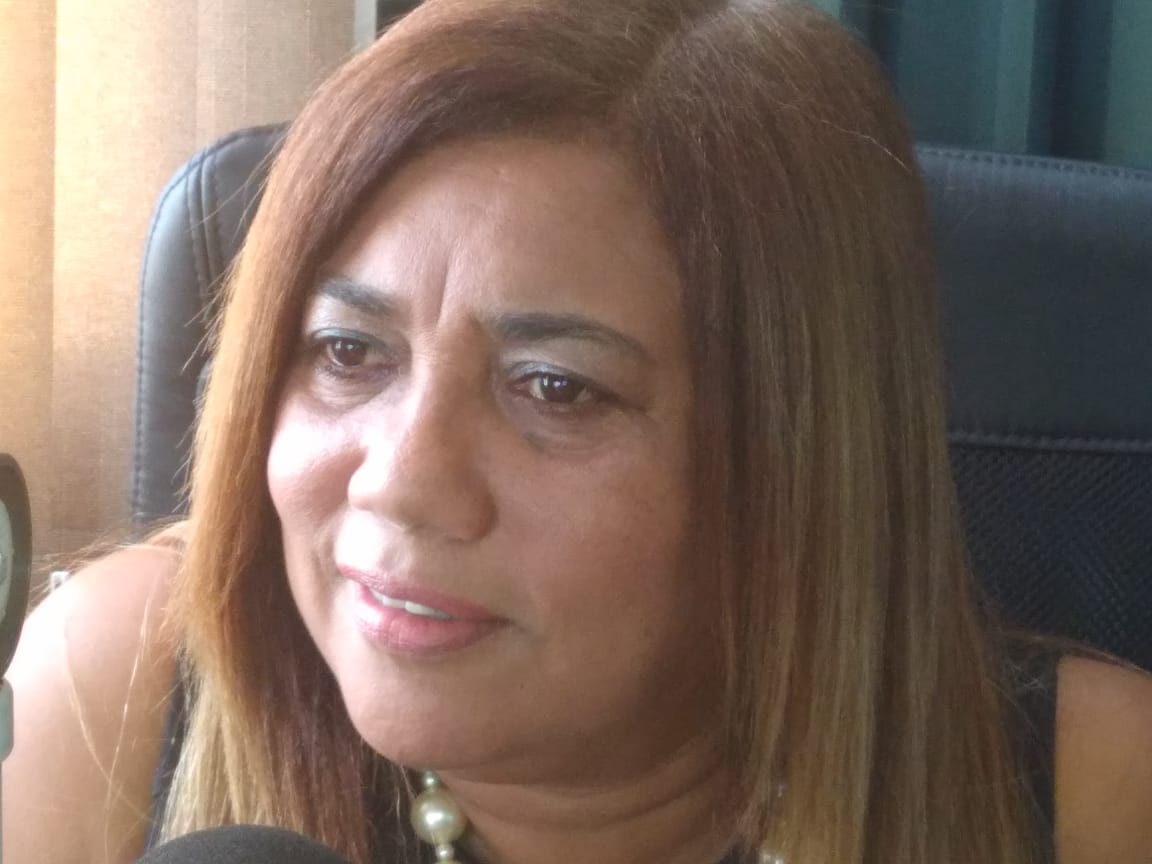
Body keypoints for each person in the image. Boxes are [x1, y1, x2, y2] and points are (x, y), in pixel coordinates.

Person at [7, 1, 1152, 862]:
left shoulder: (1100, 794)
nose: (402, 484)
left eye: (554, 389)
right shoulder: (111, 691)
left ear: (792, 462)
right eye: (348, 353)